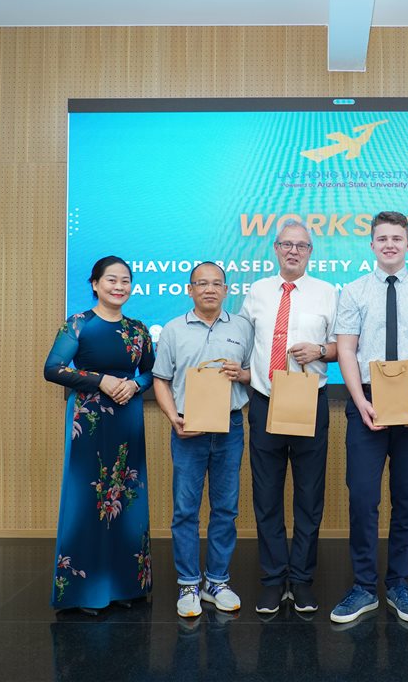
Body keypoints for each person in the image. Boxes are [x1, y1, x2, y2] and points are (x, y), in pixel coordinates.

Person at [330, 210, 408, 624]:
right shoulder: (354, 291)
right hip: (366, 400)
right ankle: (364, 587)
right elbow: (347, 349)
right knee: (363, 497)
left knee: (407, 497)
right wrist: (359, 400)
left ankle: (400, 584)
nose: (389, 245)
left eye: (396, 238)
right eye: (382, 238)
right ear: (371, 245)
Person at [44, 255, 155, 614]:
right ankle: (83, 592)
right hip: (88, 419)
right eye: (111, 280)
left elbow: (151, 373)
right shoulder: (78, 324)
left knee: (126, 498)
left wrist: (135, 386)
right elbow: (52, 369)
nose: (119, 286)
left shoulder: (138, 329)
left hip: (127, 418)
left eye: (125, 280)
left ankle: (125, 586)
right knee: (87, 500)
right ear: (95, 284)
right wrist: (100, 380)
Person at [238, 220, 338, 615]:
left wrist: (320, 350)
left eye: (302, 245)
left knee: (309, 498)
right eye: (287, 244)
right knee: (266, 497)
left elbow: (344, 345)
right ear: (276, 248)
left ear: (311, 252)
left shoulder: (328, 292)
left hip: (310, 400)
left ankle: (301, 580)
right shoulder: (257, 292)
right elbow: (244, 343)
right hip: (266, 401)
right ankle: (272, 580)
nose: (294, 251)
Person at [152, 262, 255, 618]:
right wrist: (173, 418)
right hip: (188, 428)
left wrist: (242, 374)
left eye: (216, 284)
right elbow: (161, 379)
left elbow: (256, 374)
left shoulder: (242, 327)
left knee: (225, 508)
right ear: (190, 289)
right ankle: (188, 584)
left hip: (230, 427)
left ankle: (217, 581)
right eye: (201, 283)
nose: (209, 289)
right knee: (186, 509)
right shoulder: (173, 329)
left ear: (226, 290)